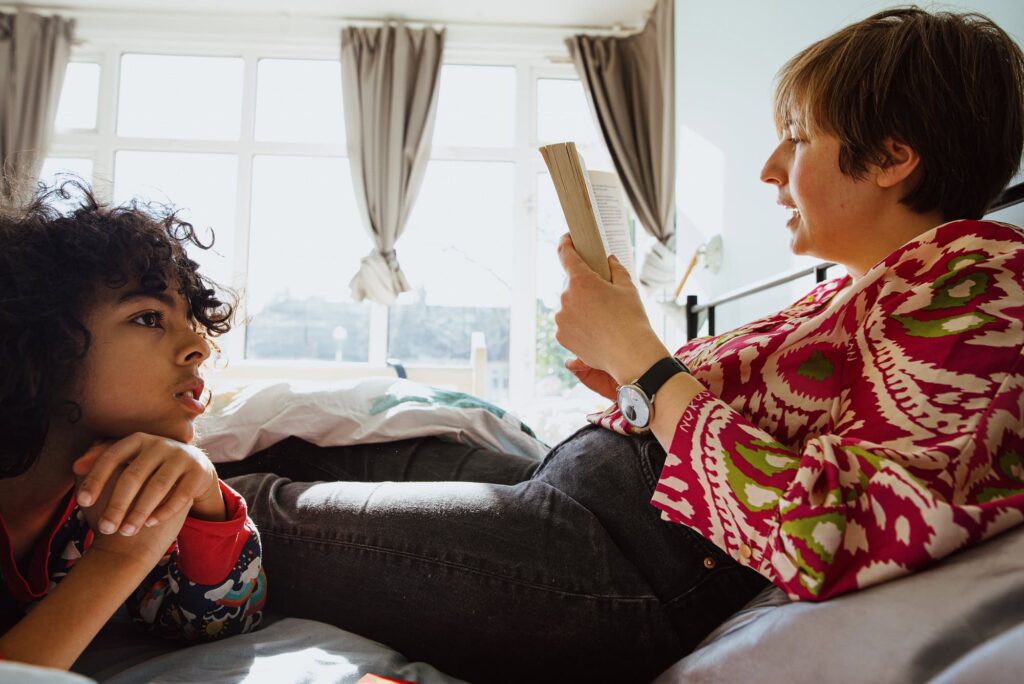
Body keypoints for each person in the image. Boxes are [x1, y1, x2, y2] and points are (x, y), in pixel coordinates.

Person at [211, 6, 1024, 682]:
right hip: (574, 498)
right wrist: (632, 382)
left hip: (615, 563)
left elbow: (829, 528)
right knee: (314, 447)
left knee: (252, 510)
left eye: (799, 137)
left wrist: (649, 364)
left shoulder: (983, 286)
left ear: (893, 157)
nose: (771, 169)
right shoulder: (871, 289)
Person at [0, 185, 266, 669]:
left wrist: (205, 492)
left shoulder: (113, 485)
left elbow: (213, 623)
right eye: (148, 318)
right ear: (41, 346)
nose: (199, 348)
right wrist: (118, 561)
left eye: (191, 320)